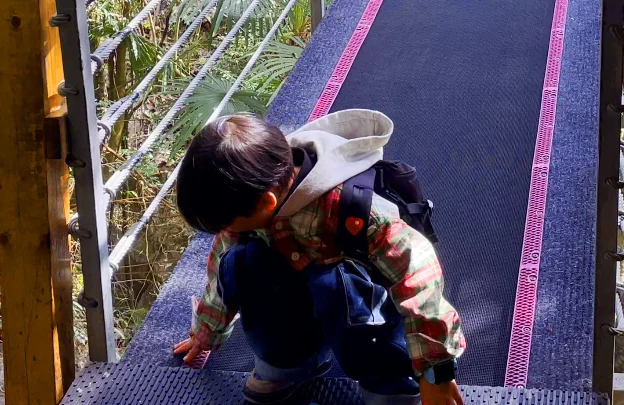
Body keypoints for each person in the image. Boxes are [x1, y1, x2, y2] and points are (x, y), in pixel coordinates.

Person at [173, 111, 466, 405]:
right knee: (242, 259)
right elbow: (221, 268)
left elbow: (419, 279)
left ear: (266, 203)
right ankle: (290, 364)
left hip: (365, 309)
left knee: (333, 282)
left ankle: (390, 382)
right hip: (304, 303)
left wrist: (435, 372)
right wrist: (206, 331)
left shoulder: (353, 209)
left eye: (226, 223)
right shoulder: (252, 190)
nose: (224, 231)